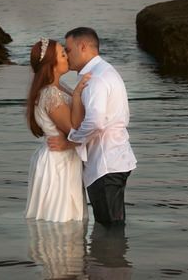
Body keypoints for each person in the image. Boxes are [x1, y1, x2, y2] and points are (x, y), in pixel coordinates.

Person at [48, 27, 136, 226]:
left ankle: (109, 257)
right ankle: (110, 256)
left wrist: (71, 142)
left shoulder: (96, 78)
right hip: (114, 158)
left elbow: (96, 121)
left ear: (83, 47)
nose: (67, 56)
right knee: (113, 223)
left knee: (109, 227)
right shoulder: (103, 70)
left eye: (68, 50)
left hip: (105, 162)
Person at [25, 37, 90, 221]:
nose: (68, 56)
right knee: (61, 217)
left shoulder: (60, 87)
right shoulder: (50, 93)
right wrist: (77, 95)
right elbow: (73, 129)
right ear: (52, 63)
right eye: (63, 54)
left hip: (64, 156)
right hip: (58, 160)